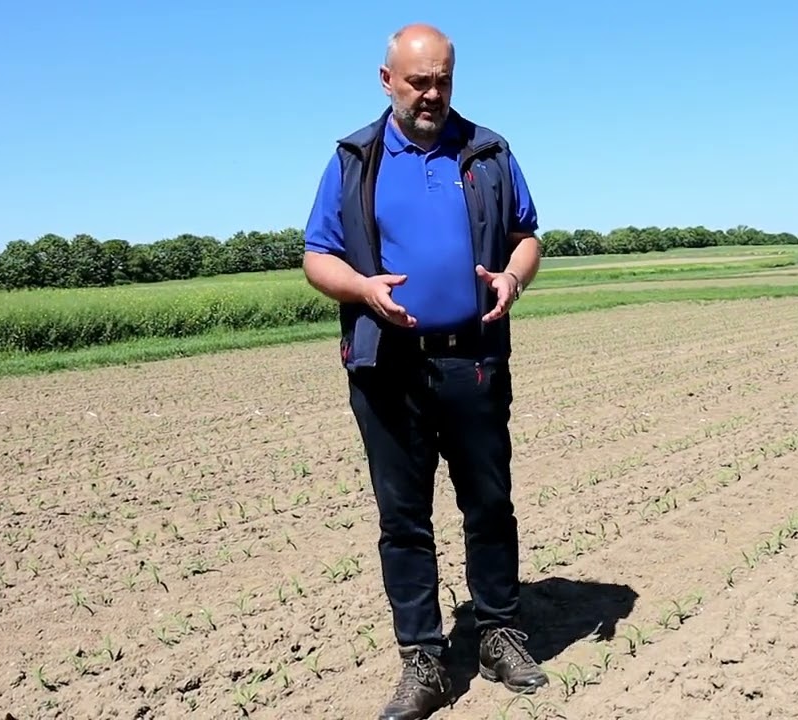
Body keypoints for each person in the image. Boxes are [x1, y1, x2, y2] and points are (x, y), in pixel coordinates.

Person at [300, 22, 548, 720]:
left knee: (489, 504)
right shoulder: (354, 158)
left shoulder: (489, 152)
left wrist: (512, 277)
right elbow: (317, 254)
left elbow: (528, 235)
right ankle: (424, 660)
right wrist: (364, 290)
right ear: (387, 81)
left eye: (443, 79)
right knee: (403, 518)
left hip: (473, 358)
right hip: (388, 367)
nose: (432, 93)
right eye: (418, 81)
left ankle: (500, 633)